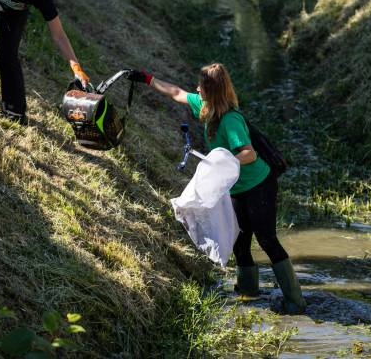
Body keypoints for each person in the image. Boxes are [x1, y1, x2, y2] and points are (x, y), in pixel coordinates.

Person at [129, 63, 307, 314]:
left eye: (200, 86)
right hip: (236, 188)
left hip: (259, 185)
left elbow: (249, 154)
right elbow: (176, 92)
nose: (196, 89)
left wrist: (225, 162)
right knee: (240, 243)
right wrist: (146, 79)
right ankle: (248, 293)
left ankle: (295, 302)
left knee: (267, 240)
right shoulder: (205, 107)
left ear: (211, 91)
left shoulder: (231, 121)